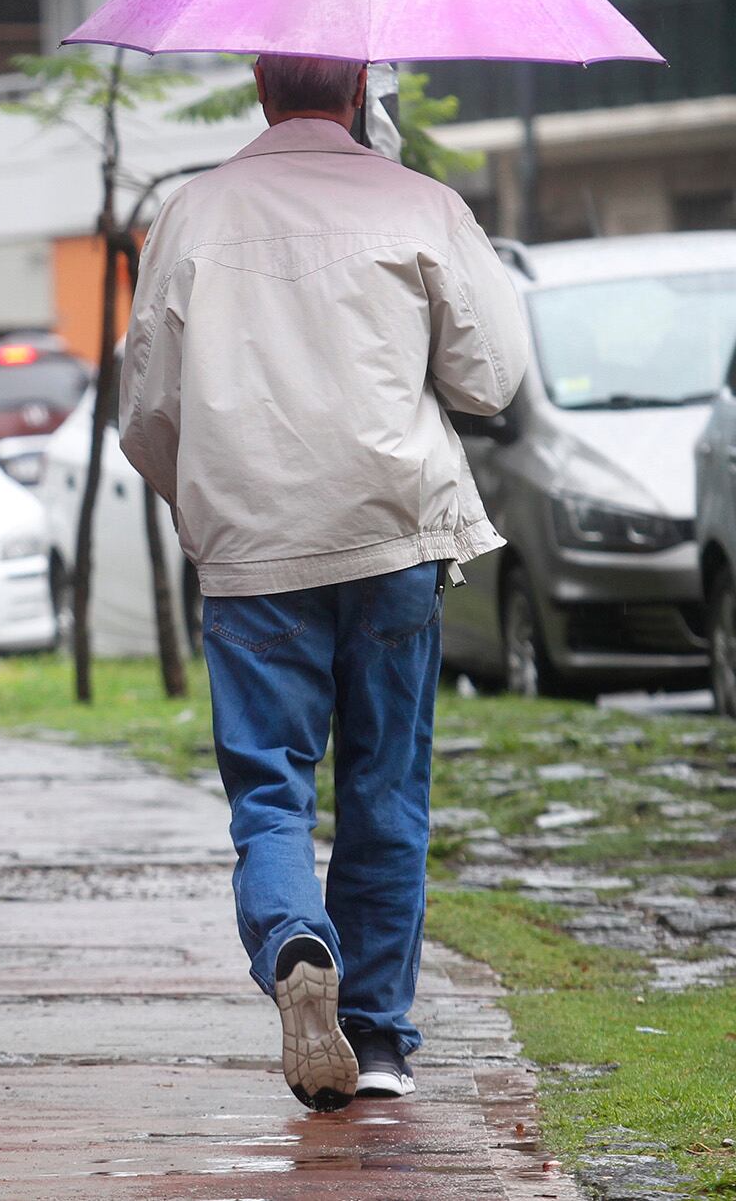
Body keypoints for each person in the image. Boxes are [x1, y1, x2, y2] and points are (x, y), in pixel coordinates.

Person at [118, 54, 527, 1112]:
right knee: (385, 788)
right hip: (390, 534)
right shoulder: (418, 203)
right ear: (357, 91)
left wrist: (205, 503)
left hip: (252, 548)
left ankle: (294, 939)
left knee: (269, 790)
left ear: (258, 88)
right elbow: (487, 380)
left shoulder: (189, 215)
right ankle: (379, 1040)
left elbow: (148, 414)